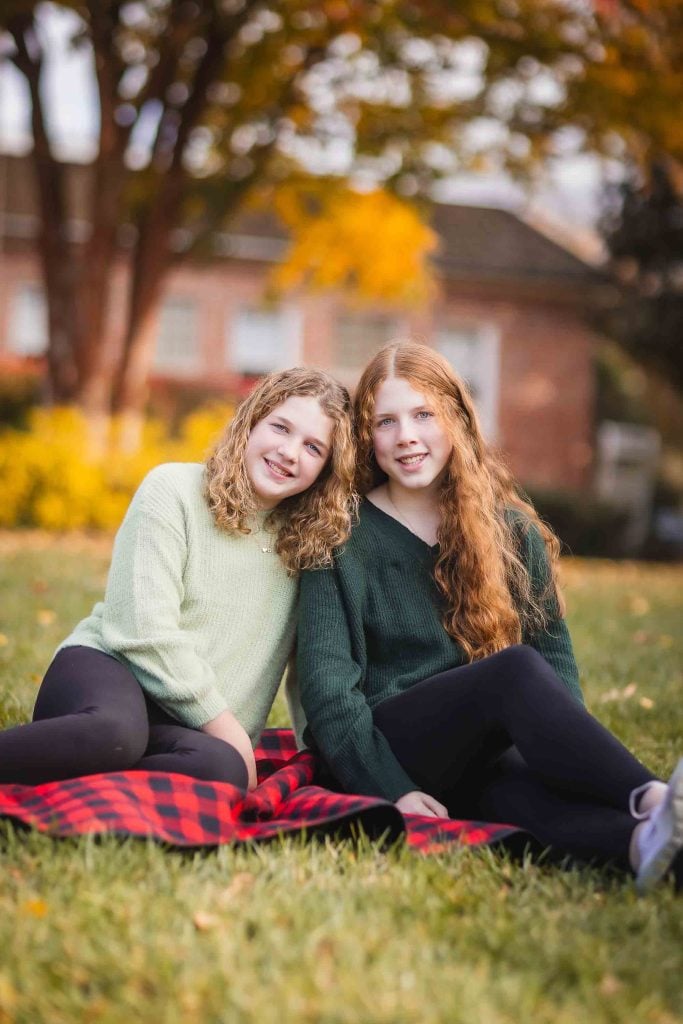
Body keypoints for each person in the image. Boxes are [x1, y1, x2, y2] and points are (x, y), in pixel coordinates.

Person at [296, 341, 682, 893]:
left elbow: (556, 655)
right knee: (514, 671)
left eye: (423, 414)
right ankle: (651, 796)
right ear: (366, 436)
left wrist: (563, 761)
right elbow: (330, 693)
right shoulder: (340, 538)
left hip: (481, 752)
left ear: (456, 418)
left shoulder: (508, 531)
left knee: (518, 798)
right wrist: (392, 790)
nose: (406, 435)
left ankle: (647, 845)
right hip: (391, 742)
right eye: (386, 421)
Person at [0, 368, 356, 796]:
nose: (289, 452)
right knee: (115, 733)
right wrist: (232, 732)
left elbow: (310, 673)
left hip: (188, 730)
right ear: (251, 421)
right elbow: (142, 631)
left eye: (313, 447)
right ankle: (81, 752)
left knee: (221, 770)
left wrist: (315, 765)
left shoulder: (310, 549)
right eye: (281, 427)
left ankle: (75, 778)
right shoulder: (174, 490)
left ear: (326, 469)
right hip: (111, 674)